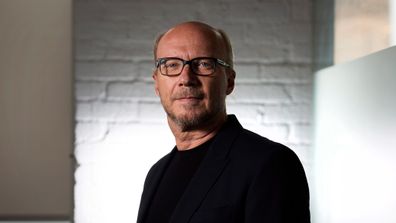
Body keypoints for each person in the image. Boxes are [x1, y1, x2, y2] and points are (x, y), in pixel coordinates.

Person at [137, 21, 310, 223]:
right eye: (171, 65)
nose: (186, 78)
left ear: (229, 81)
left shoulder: (270, 164)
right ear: (157, 84)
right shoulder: (156, 174)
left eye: (203, 64)